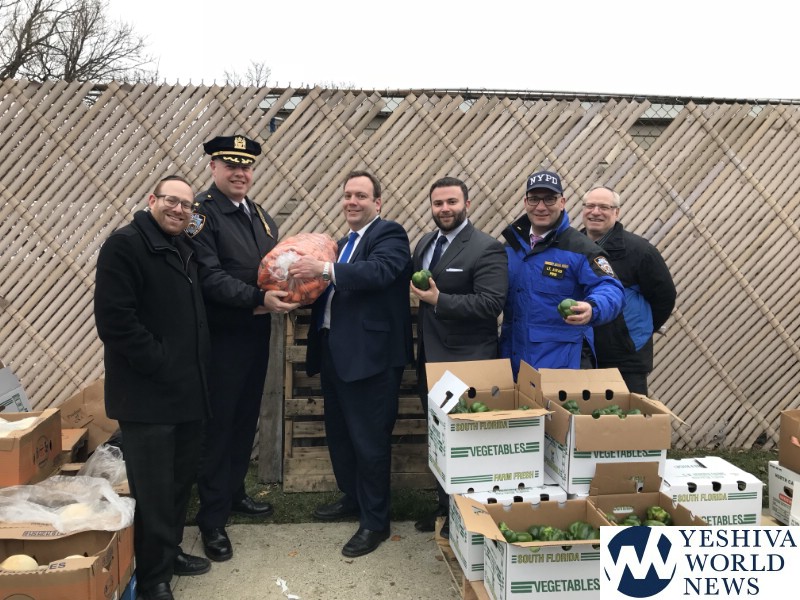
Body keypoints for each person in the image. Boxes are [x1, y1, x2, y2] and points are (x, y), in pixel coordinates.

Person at [94, 175, 211, 600]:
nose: (179, 209)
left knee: (179, 483)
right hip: (147, 396)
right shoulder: (125, 245)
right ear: (152, 200)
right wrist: (161, 362)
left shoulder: (182, 247)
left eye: (187, 205)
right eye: (171, 201)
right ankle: (153, 578)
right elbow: (115, 322)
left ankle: (169, 551)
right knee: (154, 489)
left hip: (187, 393)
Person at [288, 171, 413, 558]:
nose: (352, 201)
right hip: (335, 353)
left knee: (370, 441)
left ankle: (375, 522)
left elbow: (378, 273)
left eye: (361, 195)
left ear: (378, 203)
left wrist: (323, 270)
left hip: (371, 359)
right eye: (347, 195)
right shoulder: (340, 244)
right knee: (341, 435)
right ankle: (353, 498)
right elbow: (328, 289)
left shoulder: (390, 235)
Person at [187, 135, 299, 562]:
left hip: (255, 334)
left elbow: (273, 268)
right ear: (213, 167)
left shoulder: (261, 216)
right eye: (230, 164)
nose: (239, 173)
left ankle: (234, 493)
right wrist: (258, 298)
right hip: (221, 338)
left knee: (243, 419)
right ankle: (212, 521)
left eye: (246, 166)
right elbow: (209, 278)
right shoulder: (202, 215)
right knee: (218, 429)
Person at [410, 177, 508, 536]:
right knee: (439, 439)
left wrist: (440, 301)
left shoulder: (486, 248)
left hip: (467, 363)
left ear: (467, 204)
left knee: (466, 444)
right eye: (438, 203)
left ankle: (465, 516)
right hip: (430, 359)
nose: (444, 209)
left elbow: (491, 304)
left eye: (451, 202)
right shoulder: (425, 243)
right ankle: (445, 507)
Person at [500, 170, 624, 375]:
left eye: (549, 199)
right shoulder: (510, 248)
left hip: (562, 366)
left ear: (562, 202)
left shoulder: (581, 249)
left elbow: (611, 289)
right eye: (534, 199)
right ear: (525, 202)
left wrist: (592, 307)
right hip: (512, 363)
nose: (541, 207)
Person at [581, 185, 677, 395]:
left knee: (628, 413)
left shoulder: (640, 251)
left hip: (624, 357)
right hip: (581, 355)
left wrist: (629, 333)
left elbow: (665, 297)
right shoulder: (571, 246)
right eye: (590, 206)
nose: (595, 212)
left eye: (604, 207)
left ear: (616, 212)